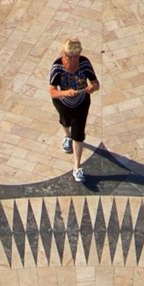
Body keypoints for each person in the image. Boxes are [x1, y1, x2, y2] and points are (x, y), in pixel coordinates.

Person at [49, 39, 100, 184]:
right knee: (65, 121)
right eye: (70, 57)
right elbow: (52, 91)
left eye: (76, 56)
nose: (74, 60)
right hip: (63, 103)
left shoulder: (85, 63)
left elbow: (96, 84)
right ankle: (67, 135)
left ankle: (77, 166)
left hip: (81, 104)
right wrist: (65, 93)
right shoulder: (57, 67)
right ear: (64, 55)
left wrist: (92, 88)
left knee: (79, 134)